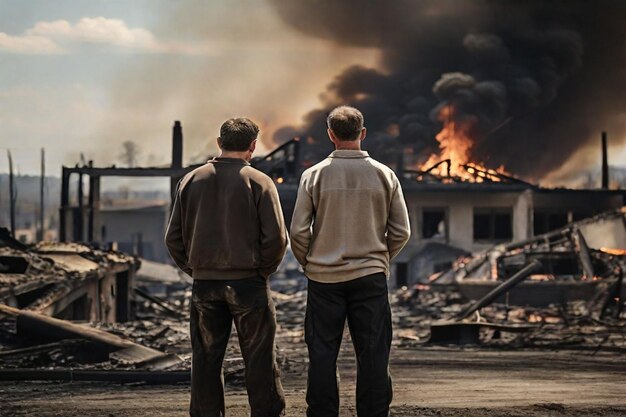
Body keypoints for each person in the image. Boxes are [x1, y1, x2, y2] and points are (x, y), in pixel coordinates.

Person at [290, 106, 411, 417]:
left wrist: (310, 263)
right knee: (373, 355)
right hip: (369, 278)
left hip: (323, 279)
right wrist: (380, 260)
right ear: (363, 133)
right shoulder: (385, 175)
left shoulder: (313, 175)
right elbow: (402, 231)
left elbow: (298, 231)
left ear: (330, 135)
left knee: (322, 353)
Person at [165, 117, 287, 417]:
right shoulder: (259, 181)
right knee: (259, 360)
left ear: (219, 143)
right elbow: (276, 239)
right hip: (249, 284)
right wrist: (262, 271)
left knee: (205, 360)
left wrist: (196, 269)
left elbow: (174, 238)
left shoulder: (191, 180)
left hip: (204, 286)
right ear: (253, 146)